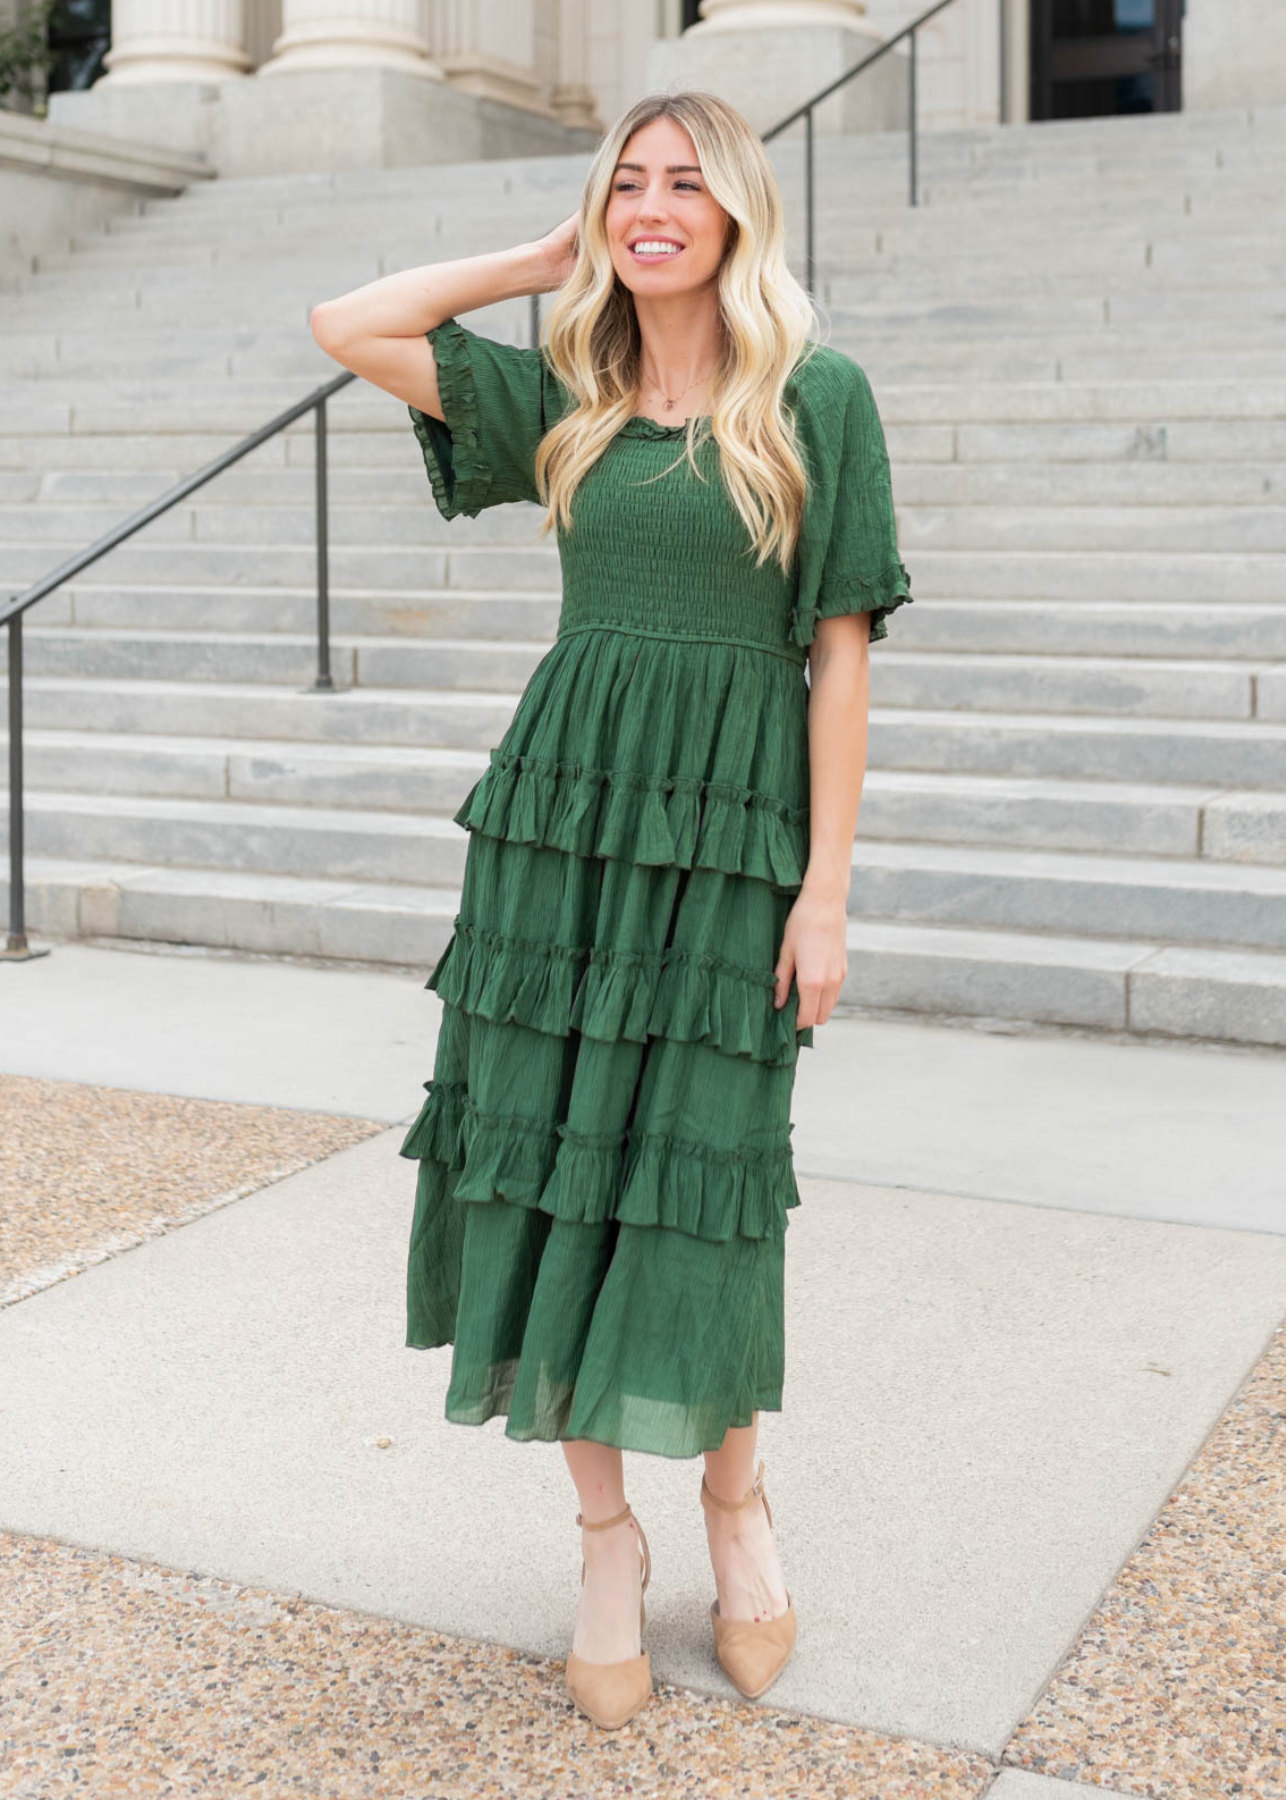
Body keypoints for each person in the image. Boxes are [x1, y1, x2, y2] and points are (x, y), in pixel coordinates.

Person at [310, 87, 912, 1731]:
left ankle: (732, 1499)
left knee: (701, 1185)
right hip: (558, 838)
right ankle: (600, 1538)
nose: (655, 207)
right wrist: (542, 254)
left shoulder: (819, 397)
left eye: (685, 184)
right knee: (548, 1168)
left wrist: (825, 895)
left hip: (731, 850)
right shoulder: (569, 388)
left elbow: (840, 656)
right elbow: (347, 320)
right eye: (626, 185)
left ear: (738, 211)